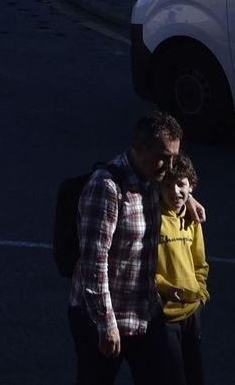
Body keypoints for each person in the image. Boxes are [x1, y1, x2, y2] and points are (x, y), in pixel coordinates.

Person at [68, 111, 183, 383]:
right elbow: (94, 263)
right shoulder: (106, 189)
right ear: (139, 148)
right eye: (163, 157)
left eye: (174, 158)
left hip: (144, 312)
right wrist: (105, 324)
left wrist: (188, 199)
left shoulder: (153, 180)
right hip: (103, 318)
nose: (169, 165)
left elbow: (178, 184)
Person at [154, 153, 208, 383]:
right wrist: (165, 288)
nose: (175, 191)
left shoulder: (192, 218)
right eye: (167, 185)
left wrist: (201, 294)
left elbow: (200, 262)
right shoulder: (153, 218)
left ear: (191, 186)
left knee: (195, 376)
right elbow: (144, 267)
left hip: (192, 311)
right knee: (174, 378)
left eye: (181, 185)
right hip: (165, 317)